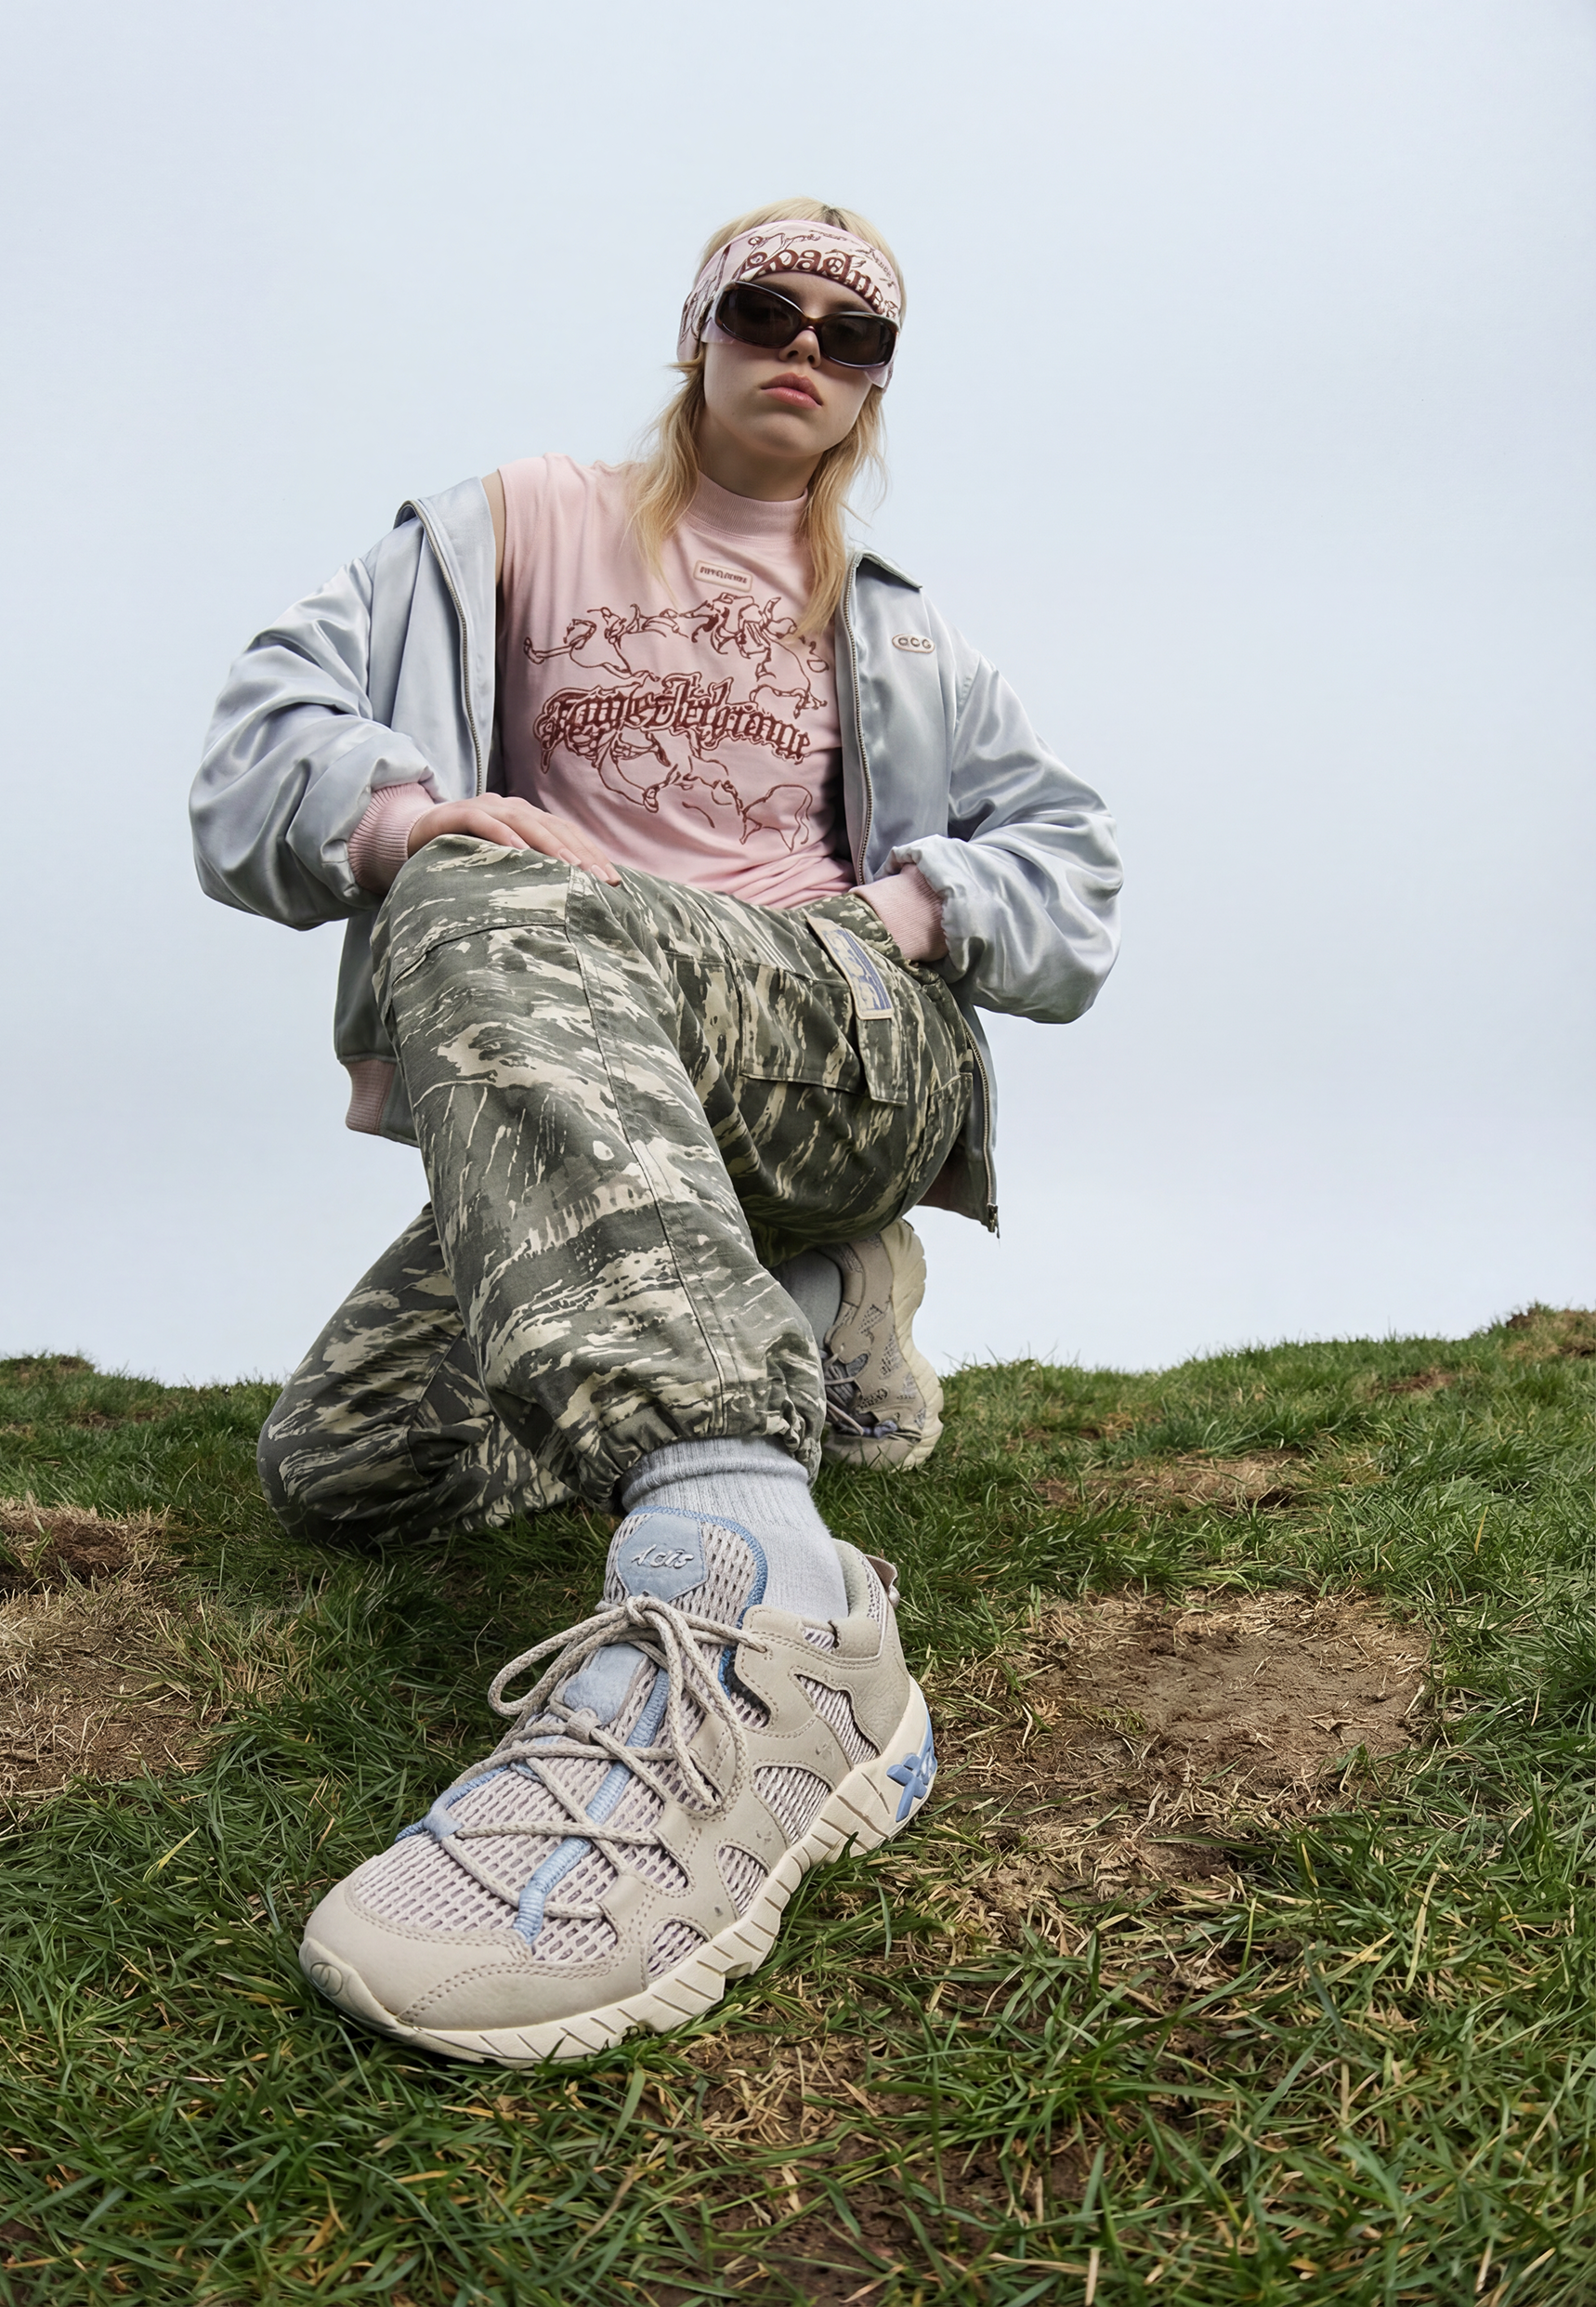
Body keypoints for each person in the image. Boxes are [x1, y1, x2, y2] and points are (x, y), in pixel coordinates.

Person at [190, 201, 1121, 2065]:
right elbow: (258, 740)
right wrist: (398, 813)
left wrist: (915, 911)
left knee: (483, 899)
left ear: (870, 391)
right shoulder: (514, 523)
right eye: (769, 309)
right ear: (697, 331)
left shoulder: (898, 628)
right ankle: (809, 1303)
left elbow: (1070, 868)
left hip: (836, 1029)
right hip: (604, 1093)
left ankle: (763, 1604)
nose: (808, 346)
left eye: (853, 337)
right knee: (347, 1461)